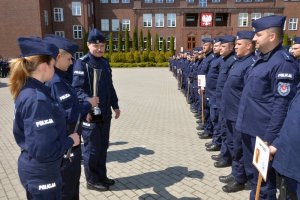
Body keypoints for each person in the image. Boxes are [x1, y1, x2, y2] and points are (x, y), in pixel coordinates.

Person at [235, 15, 299, 199]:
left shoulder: (282, 62)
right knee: (254, 177)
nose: (254, 38)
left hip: (262, 135)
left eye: (258, 34)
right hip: (248, 129)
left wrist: (270, 139)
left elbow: (281, 105)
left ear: (272, 36)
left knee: (263, 183)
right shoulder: (262, 59)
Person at [9, 37, 80, 199]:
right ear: (43, 66)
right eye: (53, 65)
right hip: (42, 172)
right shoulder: (37, 99)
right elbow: (44, 150)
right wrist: (70, 140)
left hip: (37, 168)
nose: (54, 69)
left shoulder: (29, 90)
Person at [44, 35, 99, 200]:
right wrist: (88, 105)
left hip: (71, 142)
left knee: (72, 184)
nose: (71, 62)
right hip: (66, 144)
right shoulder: (56, 82)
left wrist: (84, 112)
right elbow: (68, 113)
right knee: (67, 188)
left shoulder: (61, 78)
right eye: (69, 58)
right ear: (58, 57)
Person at [72, 28, 120, 191]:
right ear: (88, 45)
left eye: (102, 46)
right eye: (95, 46)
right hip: (91, 114)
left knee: (102, 146)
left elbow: (110, 87)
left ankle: (102, 176)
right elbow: (77, 90)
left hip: (104, 113)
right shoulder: (82, 63)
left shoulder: (105, 62)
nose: (99, 49)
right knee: (92, 148)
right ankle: (92, 180)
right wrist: (87, 102)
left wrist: (116, 105)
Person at [220, 31, 255, 193]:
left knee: (239, 148)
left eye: (239, 44)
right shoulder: (239, 62)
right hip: (230, 112)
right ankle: (235, 173)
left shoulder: (250, 64)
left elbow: (248, 94)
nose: (236, 47)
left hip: (238, 115)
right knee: (233, 144)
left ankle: (240, 179)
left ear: (248, 46)